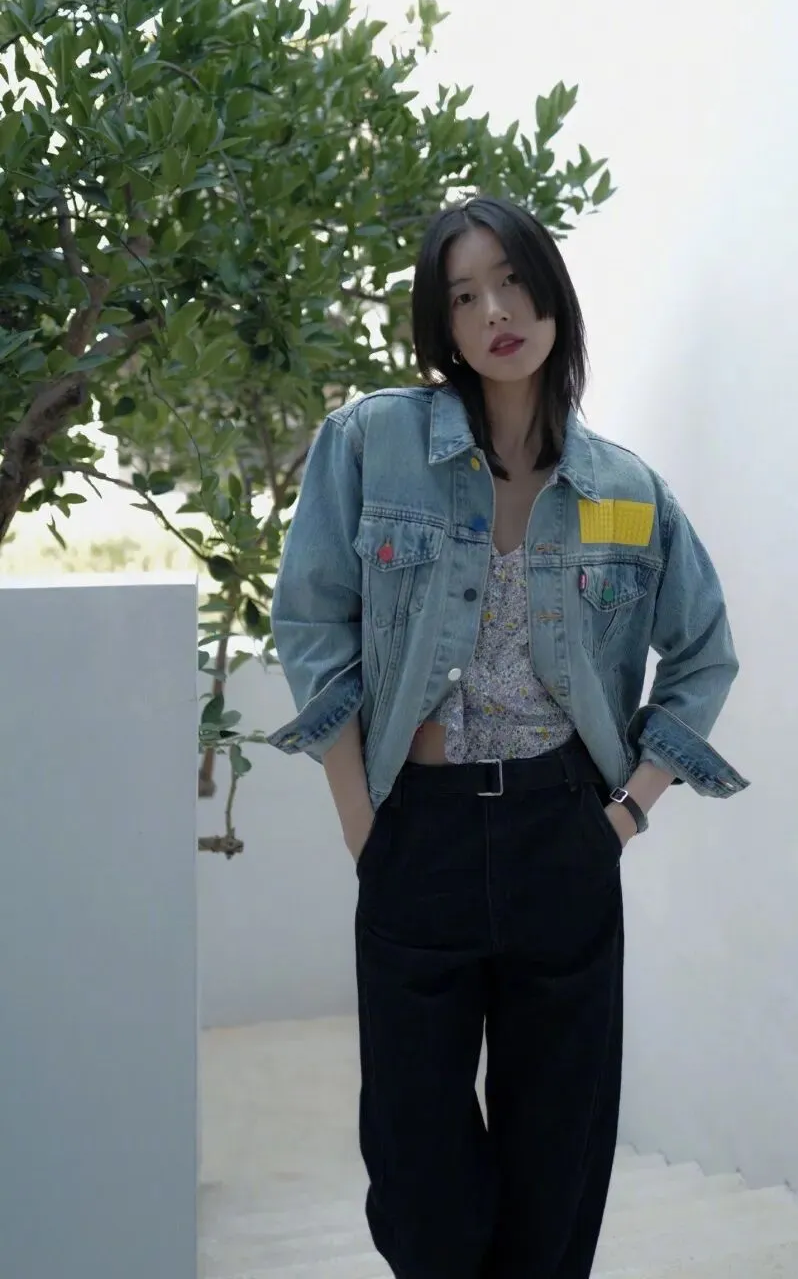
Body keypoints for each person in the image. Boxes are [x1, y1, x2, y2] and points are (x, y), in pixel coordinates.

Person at [267, 195, 748, 1279]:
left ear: (551, 294)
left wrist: (624, 816)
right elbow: (312, 622)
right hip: (417, 836)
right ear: (441, 324)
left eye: (513, 281)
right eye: (464, 295)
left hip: (562, 835)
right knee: (419, 1175)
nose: (495, 311)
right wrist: (361, 823)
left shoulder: (626, 490)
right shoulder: (374, 444)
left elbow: (704, 654)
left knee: (555, 1165)